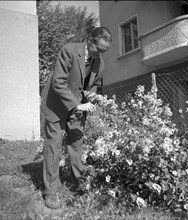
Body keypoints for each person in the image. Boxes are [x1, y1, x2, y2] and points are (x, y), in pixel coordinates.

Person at [40, 27, 112, 209]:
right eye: (99, 49)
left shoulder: (99, 63)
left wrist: (92, 99)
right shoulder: (69, 50)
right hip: (56, 105)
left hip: (78, 108)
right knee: (53, 147)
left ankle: (78, 183)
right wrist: (76, 103)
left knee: (77, 146)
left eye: (105, 51)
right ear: (90, 40)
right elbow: (58, 82)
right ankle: (50, 191)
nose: (101, 54)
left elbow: (91, 87)